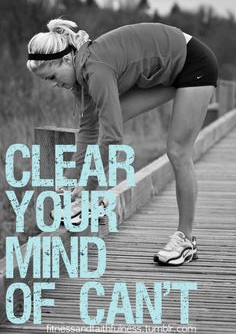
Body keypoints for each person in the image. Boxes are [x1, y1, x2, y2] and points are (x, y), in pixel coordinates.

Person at [27, 18, 218, 266]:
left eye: (52, 77)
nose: (54, 85)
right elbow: (87, 130)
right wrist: (70, 179)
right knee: (106, 118)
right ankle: (93, 202)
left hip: (194, 64)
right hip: (169, 68)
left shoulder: (96, 69)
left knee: (177, 151)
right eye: (47, 81)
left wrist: (88, 185)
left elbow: (113, 137)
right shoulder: (80, 79)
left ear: (65, 59)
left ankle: (186, 240)